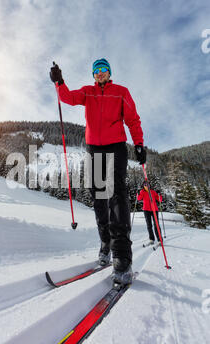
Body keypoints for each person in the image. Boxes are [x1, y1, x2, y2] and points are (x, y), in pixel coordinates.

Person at [50, 58, 146, 285]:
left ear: (109, 73)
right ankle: (106, 243)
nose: (100, 73)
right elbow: (67, 97)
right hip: (94, 149)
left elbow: (132, 119)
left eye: (104, 70)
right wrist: (59, 81)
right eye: (97, 71)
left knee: (116, 195)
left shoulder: (121, 91)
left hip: (116, 147)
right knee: (99, 198)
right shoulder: (88, 92)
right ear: (93, 75)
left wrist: (139, 143)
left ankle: (122, 256)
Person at [137, 182, 163, 247]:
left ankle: (160, 239)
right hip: (146, 210)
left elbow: (159, 200)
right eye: (145, 185)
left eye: (148, 185)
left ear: (149, 185)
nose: (146, 186)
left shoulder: (153, 192)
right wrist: (138, 194)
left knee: (156, 225)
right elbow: (139, 199)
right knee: (149, 225)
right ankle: (151, 239)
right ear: (143, 186)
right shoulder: (142, 192)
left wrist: (159, 194)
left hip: (154, 209)